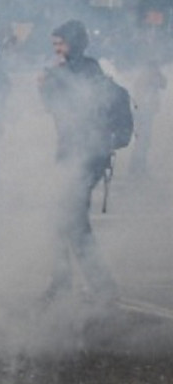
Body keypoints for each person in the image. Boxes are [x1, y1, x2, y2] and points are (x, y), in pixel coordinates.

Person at [37, 19, 122, 307]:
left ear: (73, 44)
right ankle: (62, 283)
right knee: (62, 220)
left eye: (59, 44)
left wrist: (49, 85)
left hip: (85, 156)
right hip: (75, 155)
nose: (56, 50)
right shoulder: (77, 71)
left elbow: (70, 109)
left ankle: (103, 288)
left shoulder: (83, 72)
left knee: (73, 223)